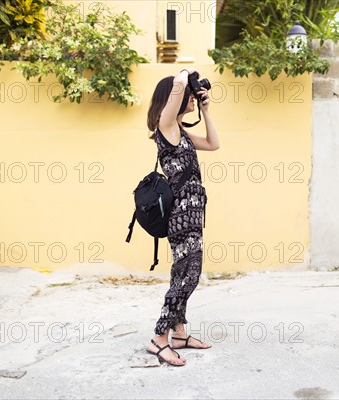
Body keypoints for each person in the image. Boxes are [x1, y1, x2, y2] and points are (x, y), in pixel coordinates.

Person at [145, 69, 220, 366]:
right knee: (186, 275)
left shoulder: (182, 132)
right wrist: (186, 76)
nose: (192, 97)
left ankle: (179, 333)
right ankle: (159, 339)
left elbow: (214, 144)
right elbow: (177, 85)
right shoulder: (166, 128)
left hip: (194, 212)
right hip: (181, 215)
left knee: (188, 273)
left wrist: (205, 110)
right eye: (188, 95)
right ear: (172, 100)